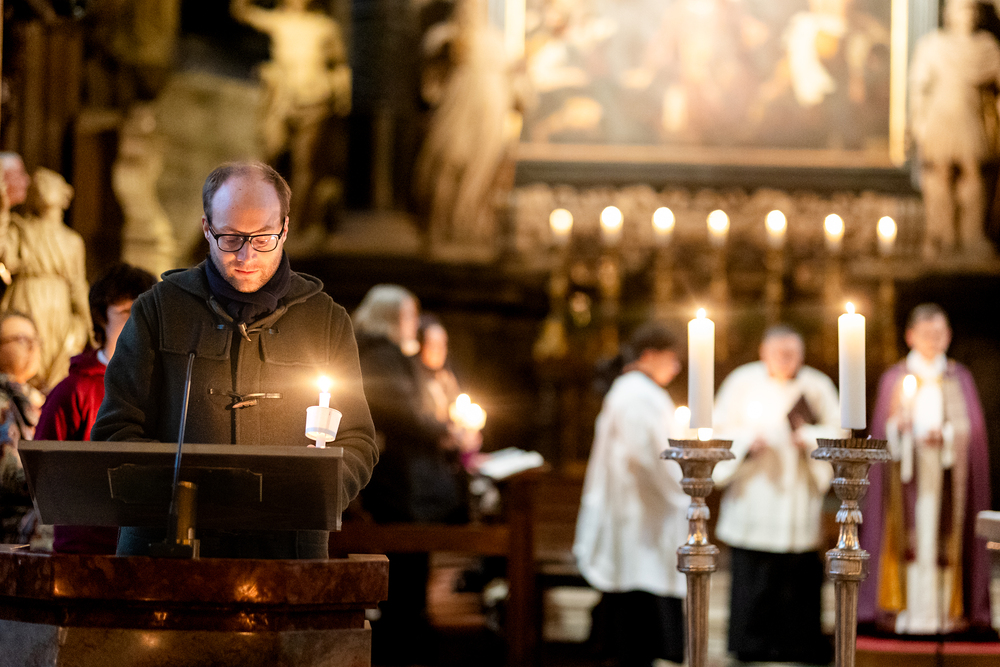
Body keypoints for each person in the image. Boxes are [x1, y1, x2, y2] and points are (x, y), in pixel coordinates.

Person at [90, 160, 378, 559]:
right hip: (168, 548)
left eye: (263, 238)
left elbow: (358, 440)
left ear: (285, 229)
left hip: (287, 551)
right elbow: (114, 430)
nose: (246, 255)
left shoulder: (325, 320)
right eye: (230, 238)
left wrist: (317, 491)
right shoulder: (158, 310)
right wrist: (179, 495)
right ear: (206, 228)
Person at [712, 325, 843, 664]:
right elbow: (719, 429)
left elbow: (838, 432)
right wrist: (746, 442)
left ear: (801, 355)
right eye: (779, 354)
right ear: (763, 353)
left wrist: (809, 438)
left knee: (796, 577)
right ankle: (749, 642)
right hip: (754, 494)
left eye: (792, 354)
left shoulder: (816, 385)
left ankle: (796, 645)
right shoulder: (741, 382)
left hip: (797, 496)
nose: (785, 360)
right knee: (752, 574)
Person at [859, 304, 991, 635]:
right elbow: (882, 431)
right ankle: (903, 615)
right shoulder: (894, 378)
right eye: (926, 333)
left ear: (948, 336)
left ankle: (946, 616)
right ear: (910, 336)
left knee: (942, 542)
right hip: (905, 480)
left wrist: (947, 435)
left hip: (947, 478)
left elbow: (973, 431)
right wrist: (898, 429)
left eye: (939, 333)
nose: (933, 340)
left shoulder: (959, 377)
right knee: (909, 543)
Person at [352, 285, 466, 665]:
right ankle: (399, 653)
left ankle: (406, 646)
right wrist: (443, 430)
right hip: (401, 484)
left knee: (410, 577)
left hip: (407, 481)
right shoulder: (381, 355)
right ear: (392, 318)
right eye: (409, 317)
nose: (414, 325)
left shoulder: (386, 354)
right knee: (404, 581)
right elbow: (401, 411)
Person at [573, 322, 687, 667]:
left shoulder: (638, 391)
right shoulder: (636, 393)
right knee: (635, 592)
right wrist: (682, 487)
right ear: (649, 356)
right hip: (636, 512)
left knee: (639, 587)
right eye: (672, 358)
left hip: (642, 510)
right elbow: (646, 454)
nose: (677, 367)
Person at [36, 263, 157, 555]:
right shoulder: (74, 390)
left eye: (146, 313)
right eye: (127, 313)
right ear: (102, 317)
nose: (138, 324)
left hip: (148, 541)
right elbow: (42, 467)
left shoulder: (163, 386)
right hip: (85, 545)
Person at [910, 0, 1000, 258]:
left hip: (970, 116)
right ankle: (941, 236)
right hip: (940, 116)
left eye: (972, 10)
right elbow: (918, 87)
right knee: (940, 173)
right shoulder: (933, 45)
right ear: (949, 14)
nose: (968, 15)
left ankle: (972, 235)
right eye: (962, 9)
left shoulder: (986, 47)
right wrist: (918, 121)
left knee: (973, 172)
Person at [0, 167, 92, 390]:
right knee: (21, 354)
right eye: (38, 183)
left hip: (58, 309)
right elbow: (4, 254)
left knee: (54, 368)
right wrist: (2, 212)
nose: (43, 186)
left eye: (50, 182)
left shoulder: (72, 241)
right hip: (25, 299)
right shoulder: (20, 229)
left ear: (65, 195)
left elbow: (78, 286)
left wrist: (90, 324)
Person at [0, 312, 44, 544]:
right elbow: (7, 477)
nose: (32, 347)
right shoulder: (3, 401)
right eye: (20, 339)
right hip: (11, 515)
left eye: (35, 339)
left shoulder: (41, 398)